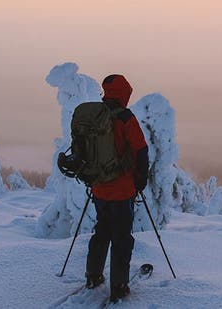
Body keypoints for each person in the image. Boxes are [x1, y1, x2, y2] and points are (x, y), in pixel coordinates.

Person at [84, 74, 149, 303]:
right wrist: (141, 179)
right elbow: (140, 150)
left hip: (99, 188)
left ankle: (93, 275)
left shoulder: (95, 115)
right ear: (125, 94)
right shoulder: (125, 118)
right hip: (122, 191)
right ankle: (119, 286)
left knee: (102, 231)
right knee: (121, 238)